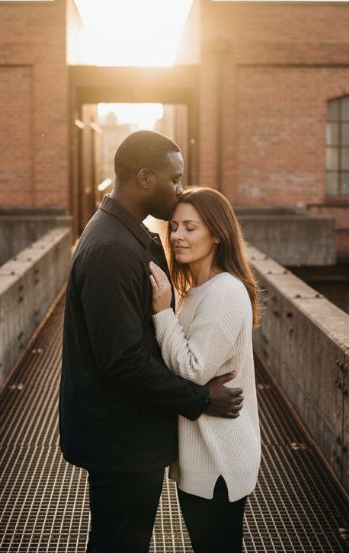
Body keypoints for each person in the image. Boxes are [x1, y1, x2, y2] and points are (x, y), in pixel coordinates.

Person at [59, 130, 244, 553]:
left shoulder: (122, 235)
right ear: (145, 178)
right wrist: (199, 399)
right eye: (174, 178)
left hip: (124, 432)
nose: (179, 188)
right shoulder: (112, 248)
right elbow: (122, 359)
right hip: (121, 440)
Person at [147, 186, 261, 553]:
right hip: (203, 456)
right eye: (175, 226)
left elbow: (193, 369)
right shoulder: (197, 290)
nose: (177, 235)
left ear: (216, 234)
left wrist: (162, 312)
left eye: (190, 227)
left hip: (219, 460)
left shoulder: (225, 291)